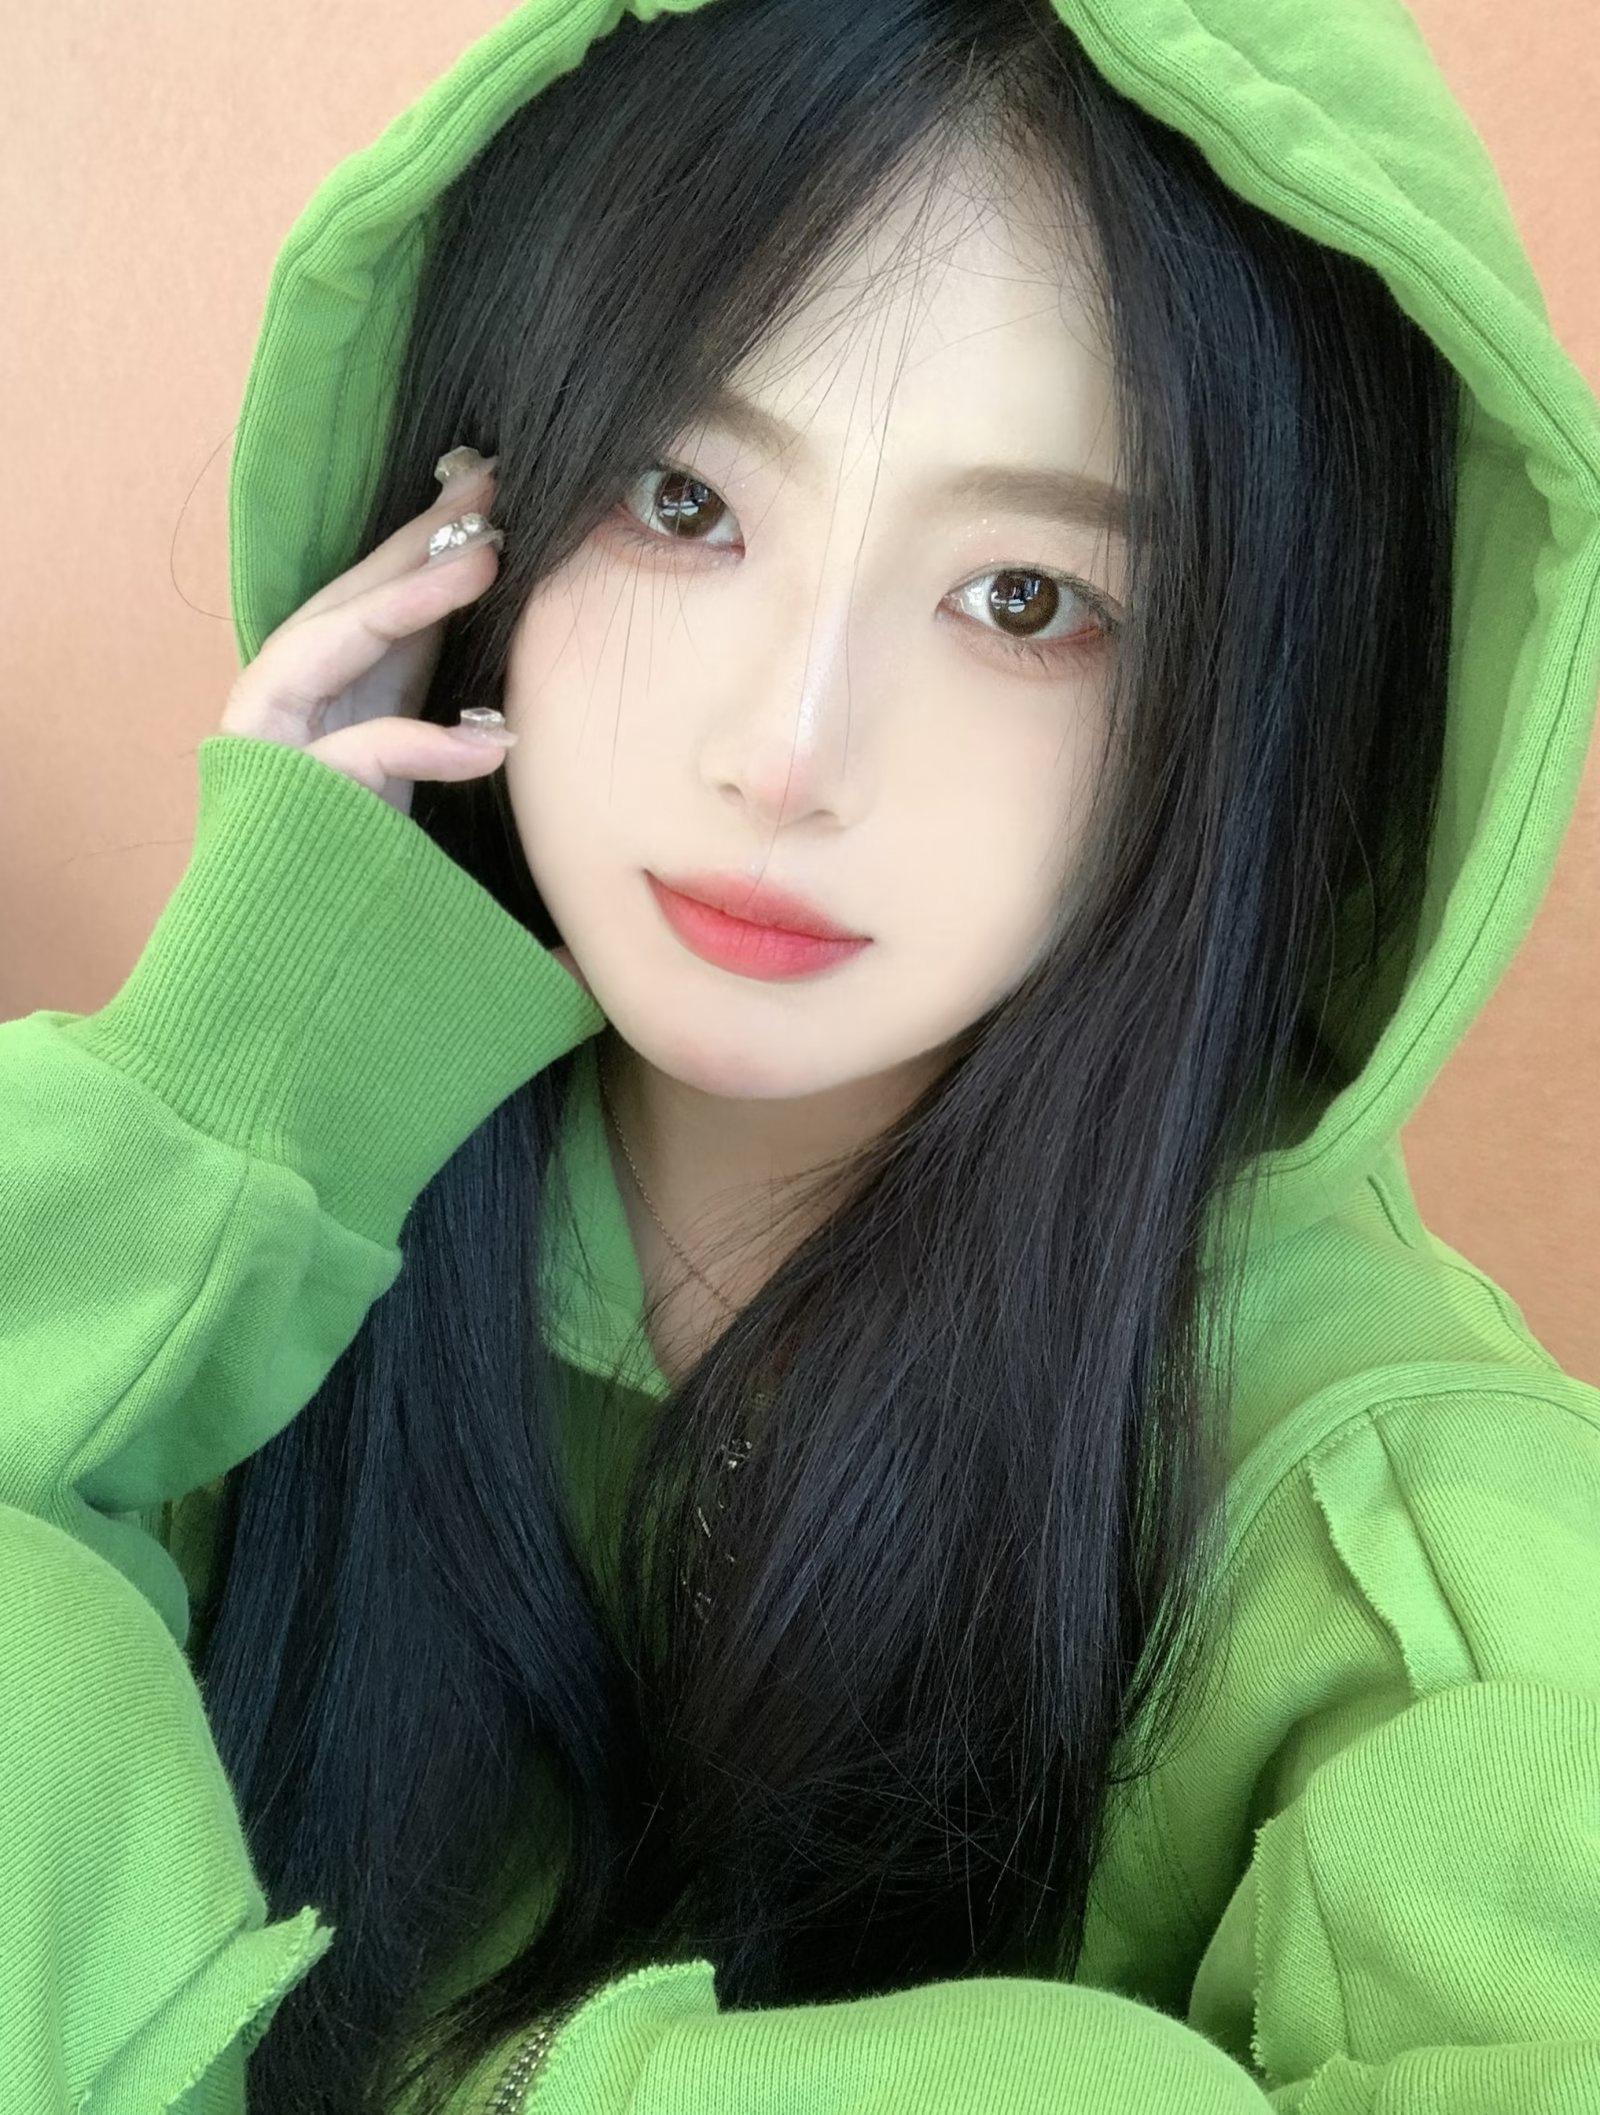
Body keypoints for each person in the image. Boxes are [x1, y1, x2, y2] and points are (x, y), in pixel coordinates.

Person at [4, 0, 1599, 2108]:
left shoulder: (1395, 1519)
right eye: (679, 497)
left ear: (1258, 706)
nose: (784, 749)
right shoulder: (272, 1189)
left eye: (1025, 600)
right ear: (462, 517)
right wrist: (253, 1053)